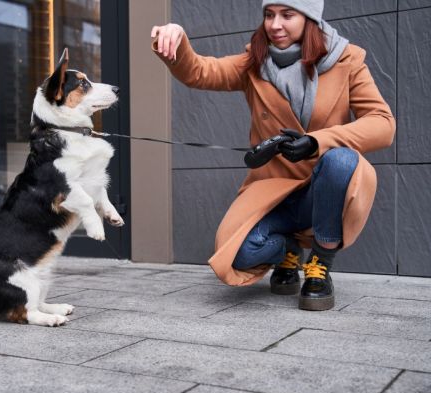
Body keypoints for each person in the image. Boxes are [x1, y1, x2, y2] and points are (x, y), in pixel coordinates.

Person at [151, 0, 395, 311]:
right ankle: (287, 251)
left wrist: (317, 141)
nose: (274, 24)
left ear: (310, 19)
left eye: (287, 15)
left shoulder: (348, 60)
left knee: (341, 160)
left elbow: (383, 124)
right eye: (269, 14)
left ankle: (319, 265)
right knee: (238, 255)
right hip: (274, 190)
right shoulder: (254, 63)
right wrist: (175, 38)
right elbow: (200, 71)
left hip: (323, 188)